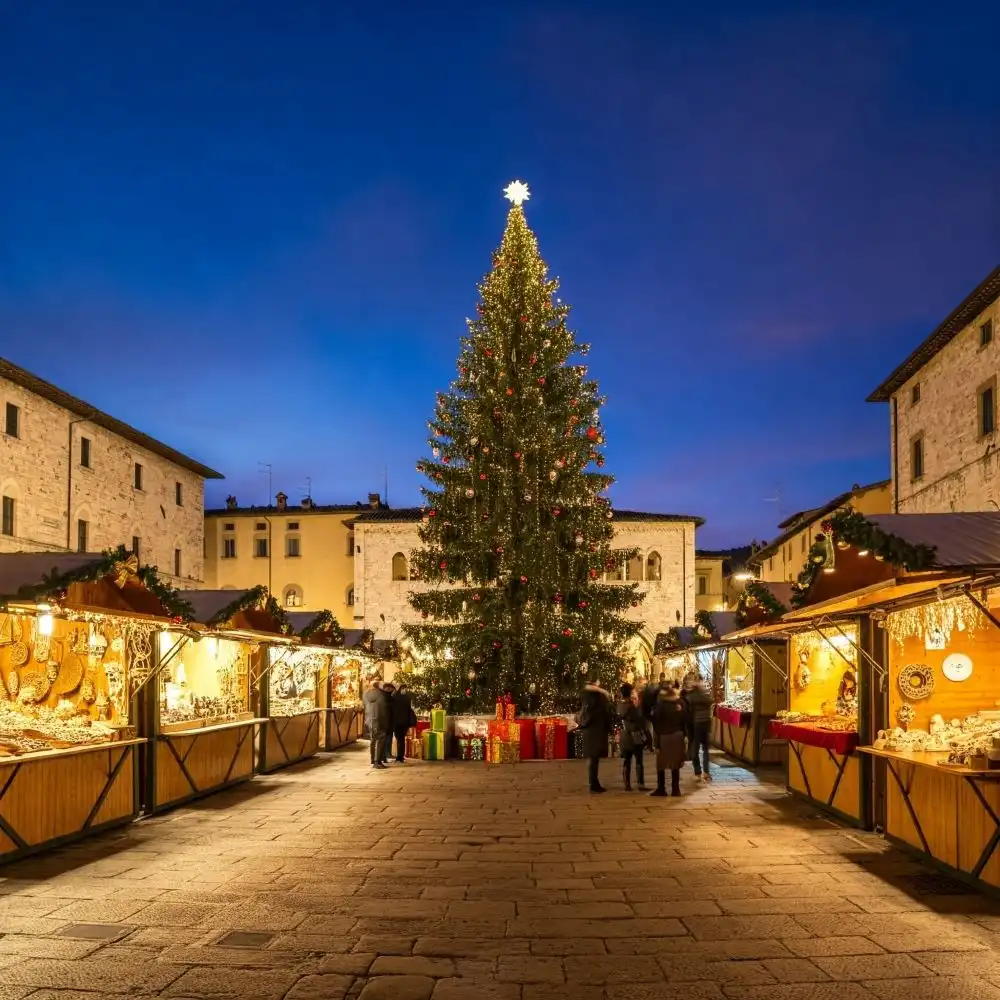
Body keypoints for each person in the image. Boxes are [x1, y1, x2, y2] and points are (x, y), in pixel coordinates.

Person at [578, 681, 613, 794]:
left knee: (593, 758)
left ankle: (594, 781)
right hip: (597, 730)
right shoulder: (599, 697)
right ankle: (594, 783)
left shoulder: (586, 694)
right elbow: (605, 713)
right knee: (594, 758)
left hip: (590, 730)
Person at [651, 685, 687, 797]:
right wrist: (685, 735)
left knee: (661, 764)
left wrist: (656, 744)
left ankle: (661, 788)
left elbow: (656, 724)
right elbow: (685, 720)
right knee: (675, 764)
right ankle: (675, 789)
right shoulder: (680, 703)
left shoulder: (660, 705)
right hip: (677, 736)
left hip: (664, 737)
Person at [617, 682, 647, 791]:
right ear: (630, 693)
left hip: (624, 735)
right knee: (639, 760)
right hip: (635, 735)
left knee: (627, 760)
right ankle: (640, 783)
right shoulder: (632, 706)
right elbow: (639, 719)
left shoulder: (619, 705)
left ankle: (627, 784)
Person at [687, 677, 714, 781]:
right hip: (705, 724)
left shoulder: (692, 696)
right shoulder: (705, 694)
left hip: (696, 725)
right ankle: (706, 772)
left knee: (695, 748)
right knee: (705, 749)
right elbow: (710, 701)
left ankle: (698, 772)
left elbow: (689, 709)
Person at [362, 680, 390, 770]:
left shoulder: (365, 694)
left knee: (373, 739)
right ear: (379, 686)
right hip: (378, 719)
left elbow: (365, 706)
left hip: (369, 719)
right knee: (381, 738)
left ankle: (373, 759)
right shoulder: (380, 695)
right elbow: (382, 710)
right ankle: (377, 762)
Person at [388, 681, 417, 763]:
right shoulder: (407, 698)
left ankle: (399, 756)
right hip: (404, 722)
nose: (404, 690)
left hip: (397, 722)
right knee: (401, 739)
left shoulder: (394, 697)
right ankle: (400, 756)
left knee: (399, 739)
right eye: (404, 688)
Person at [378, 682, 396, 764]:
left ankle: (384, 756)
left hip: (387, 722)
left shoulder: (385, 697)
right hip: (387, 722)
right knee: (385, 740)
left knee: (385, 739)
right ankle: (384, 756)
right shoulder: (386, 698)